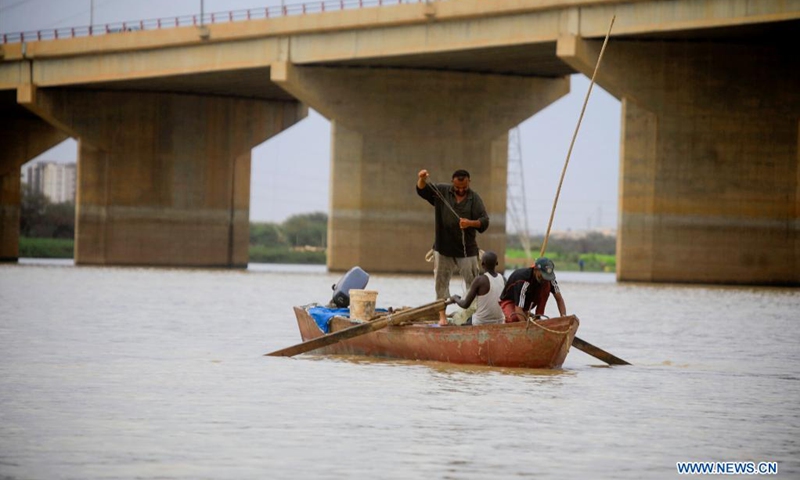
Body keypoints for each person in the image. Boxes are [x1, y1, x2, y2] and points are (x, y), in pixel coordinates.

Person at [416, 168, 489, 326]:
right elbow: (422, 190)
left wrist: (470, 223)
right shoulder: (442, 191)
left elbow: (484, 222)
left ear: (469, 182)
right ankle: (442, 317)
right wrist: (421, 178)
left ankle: (472, 316)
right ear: (452, 183)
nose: (461, 190)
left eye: (464, 187)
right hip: (443, 248)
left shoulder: (474, 199)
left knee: (473, 282)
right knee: (441, 283)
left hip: (467, 250)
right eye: (458, 187)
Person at [499, 257, 567, 323]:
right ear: (535, 269)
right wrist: (526, 326)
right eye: (542, 275)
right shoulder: (523, 279)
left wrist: (564, 318)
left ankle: (538, 317)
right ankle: (524, 316)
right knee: (514, 318)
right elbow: (518, 309)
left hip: (526, 303)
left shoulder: (549, 278)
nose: (545, 279)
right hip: (510, 301)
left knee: (547, 286)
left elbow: (559, 299)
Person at [450, 251, 505, 325]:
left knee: (459, 322)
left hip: (481, 322)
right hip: (500, 321)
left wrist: (455, 298)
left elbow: (465, 304)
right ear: (497, 263)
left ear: (482, 264)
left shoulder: (480, 280)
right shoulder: (503, 279)